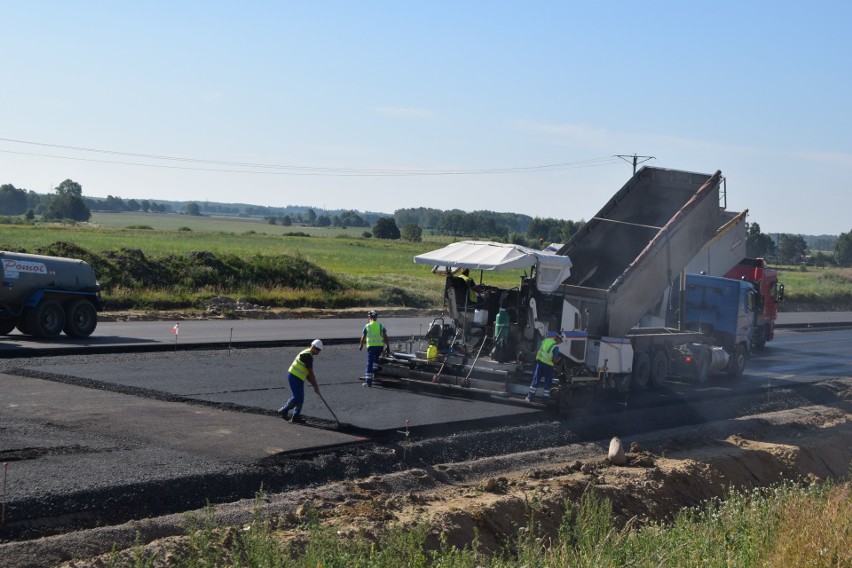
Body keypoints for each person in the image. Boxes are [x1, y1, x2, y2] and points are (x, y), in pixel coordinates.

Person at [277, 339, 323, 424]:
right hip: (294, 376)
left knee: (301, 397)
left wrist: (314, 385)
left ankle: (296, 416)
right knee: (297, 397)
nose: (318, 352)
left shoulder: (308, 353)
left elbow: (308, 375)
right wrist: (316, 386)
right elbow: (311, 373)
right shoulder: (307, 356)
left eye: (319, 350)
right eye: (318, 349)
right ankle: (284, 409)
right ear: (313, 347)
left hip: (299, 377)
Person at [525, 333, 564, 402]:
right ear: (559, 339)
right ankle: (545, 399)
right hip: (548, 366)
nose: (560, 343)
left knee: (536, 379)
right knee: (548, 381)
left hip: (539, 363)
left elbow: (540, 348)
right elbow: (554, 360)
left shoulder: (546, 340)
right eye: (561, 341)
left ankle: (529, 397)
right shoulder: (555, 347)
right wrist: (557, 362)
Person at [359, 310, 389, 387]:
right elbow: (385, 337)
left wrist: (361, 345)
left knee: (369, 363)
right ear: (376, 317)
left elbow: (363, 337)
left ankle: (368, 382)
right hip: (380, 347)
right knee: (376, 360)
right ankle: (375, 374)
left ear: (369, 317)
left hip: (371, 347)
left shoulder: (367, 326)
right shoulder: (381, 326)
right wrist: (388, 346)